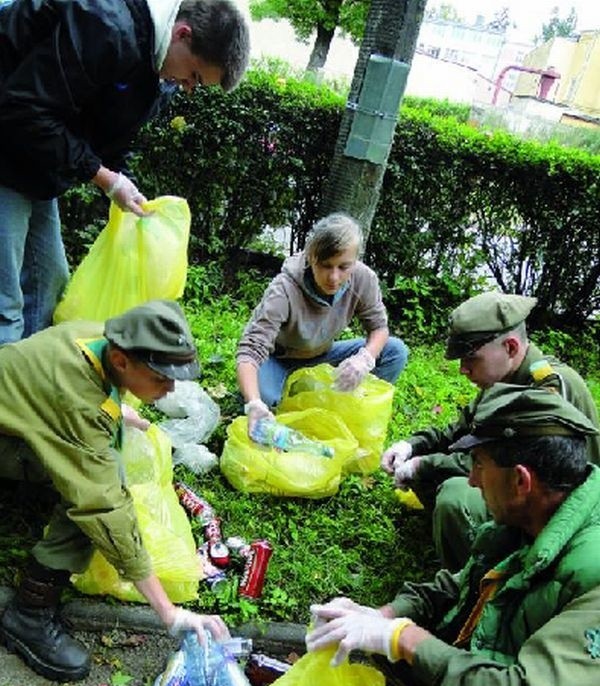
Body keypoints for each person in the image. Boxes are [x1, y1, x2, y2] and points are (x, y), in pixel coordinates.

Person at [306, 383, 600, 686]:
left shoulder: (593, 572)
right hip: (504, 683)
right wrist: (384, 616)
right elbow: (462, 584)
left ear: (521, 481)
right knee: (366, 658)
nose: (472, 479)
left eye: (479, 464)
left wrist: (405, 639)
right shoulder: (533, 518)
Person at [0, 300, 228, 682]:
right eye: (160, 378)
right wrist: (169, 612)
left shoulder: (96, 335)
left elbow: (80, 394)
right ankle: (29, 614)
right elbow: (105, 506)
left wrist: (119, 412)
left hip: (15, 413)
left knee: (106, 453)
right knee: (95, 496)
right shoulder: (80, 405)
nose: (170, 388)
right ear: (122, 361)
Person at [0, 0, 250, 344]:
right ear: (183, 34)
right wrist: (104, 178)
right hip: (9, 139)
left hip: (32, 158)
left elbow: (116, 133)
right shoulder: (107, 27)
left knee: (48, 281)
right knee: (5, 302)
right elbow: (25, 109)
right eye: (194, 76)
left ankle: (28, 379)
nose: (188, 87)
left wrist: (123, 180)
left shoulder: (155, 67)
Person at [381, 291, 600, 571]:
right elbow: (462, 430)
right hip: (519, 487)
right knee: (438, 475)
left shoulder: (545, 388)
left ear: (509, 347)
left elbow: (508, 466)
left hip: (559, 510)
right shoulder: (503, 379)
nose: (463, 369)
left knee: (454, 497)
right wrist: (412, 446)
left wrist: (425, 465)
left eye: (471, 359)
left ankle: (479, 585)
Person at [236, 212, 409, 431]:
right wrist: (253, 402)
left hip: (323, 353)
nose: (334, 277)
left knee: (395, 351)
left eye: (343, 267)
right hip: (278, 358)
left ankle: (345, 408)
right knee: (265, 401)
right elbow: (250, 350)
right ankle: (275, 399)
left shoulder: (364, 279)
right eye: (326, 266)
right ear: (311, 257)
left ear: (355, 261)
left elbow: (379, 327)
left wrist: (364, 359)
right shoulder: (283, 289)